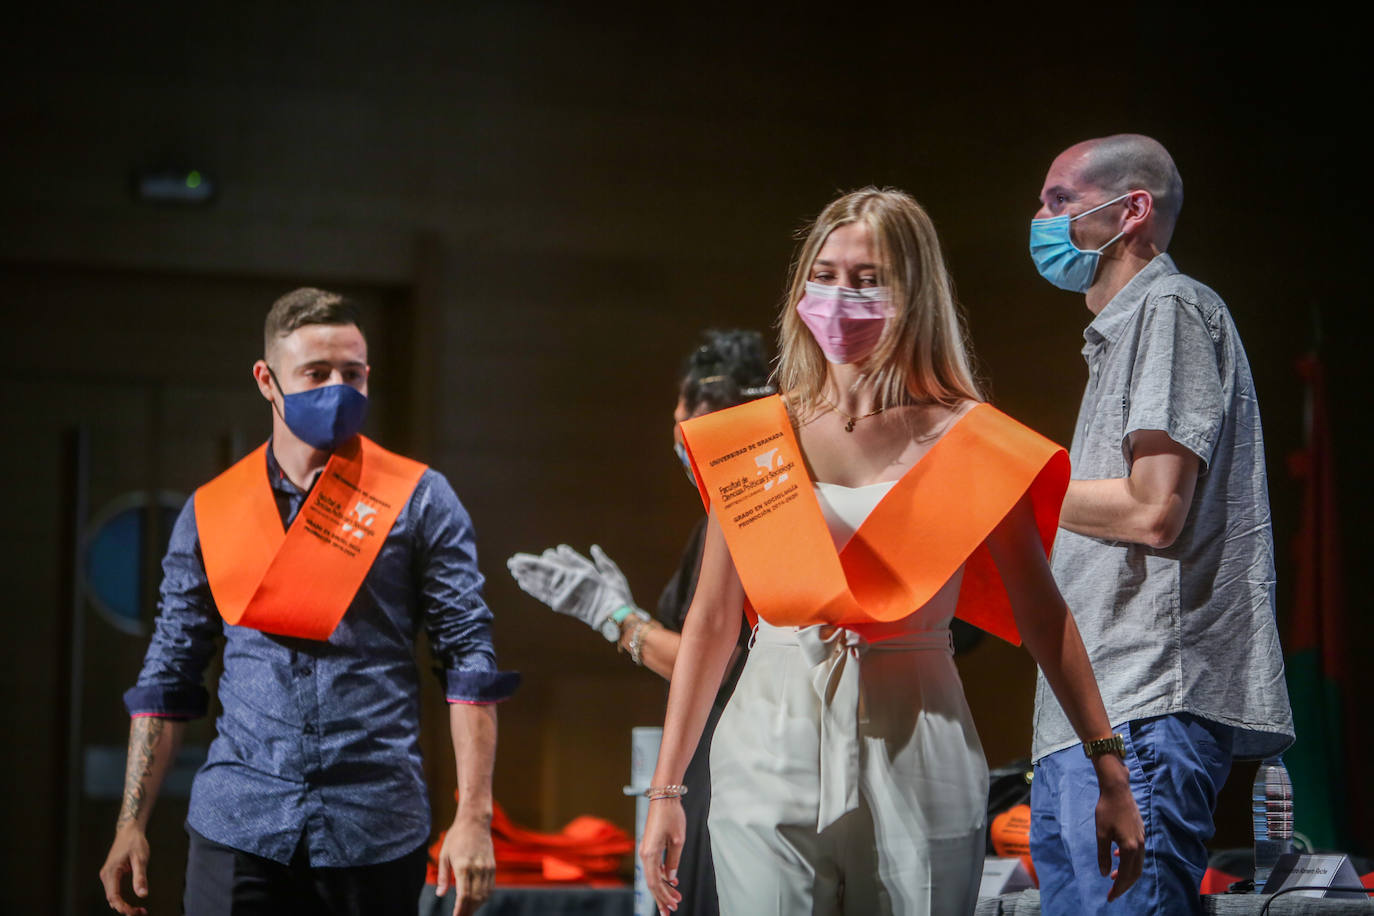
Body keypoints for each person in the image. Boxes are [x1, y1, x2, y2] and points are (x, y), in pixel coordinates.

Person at [639, 188, 1144, 916]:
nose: (840, 296)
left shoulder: (973, 441)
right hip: (765, 744)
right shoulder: (751, 438)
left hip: (921, 746)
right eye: (825, 273)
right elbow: (713, 623)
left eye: (868, 278)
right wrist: (667, 790)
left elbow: (1044, 614)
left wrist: (1110, 768)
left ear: (915, 293)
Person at [97, 288, 519, 916]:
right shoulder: (212, 511)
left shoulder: (420, 500)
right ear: (268, 381)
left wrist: (475, 819)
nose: (338, 389)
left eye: (353, 374)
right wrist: (130, 823)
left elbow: (469, 663)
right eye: (316, 374)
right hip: (239, 822)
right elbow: (169, 674)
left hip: (375, 826)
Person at [1026, 134, 1295, 914]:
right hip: (1094, 714)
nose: (1040, 220)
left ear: (1131, 210)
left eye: (1059, 201)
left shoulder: (1170, 308)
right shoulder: (1117, 337)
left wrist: (1011, 490)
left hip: (1142, 705)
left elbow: (1154, 510)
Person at [506, 329, 772, 916]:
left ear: (709, 415)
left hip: (738, 773)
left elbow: (717, 659)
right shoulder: (736, 514)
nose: (675, 424)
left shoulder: (746, 510)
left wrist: (617, 619)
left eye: (683, 409)